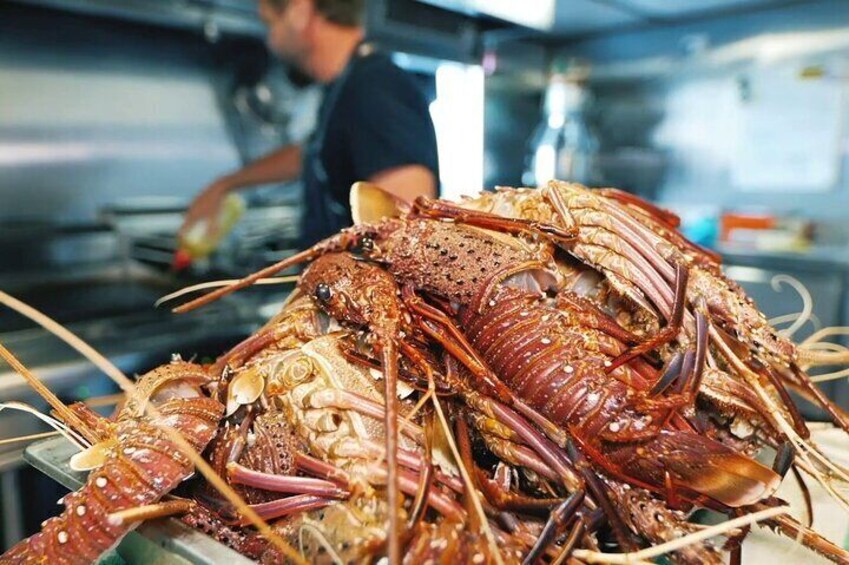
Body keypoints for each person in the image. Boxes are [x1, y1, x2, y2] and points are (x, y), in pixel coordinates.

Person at [181, 0, 439, 249]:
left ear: (299, 12)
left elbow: (404, 237)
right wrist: (226, 184)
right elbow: (314, 152)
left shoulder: (376, 89)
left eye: (270, 24)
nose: (269, 41)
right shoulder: (345, 89)